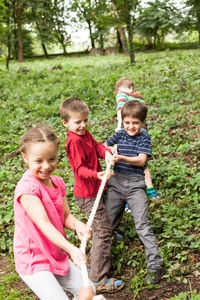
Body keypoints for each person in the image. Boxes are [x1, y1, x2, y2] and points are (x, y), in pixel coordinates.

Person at [13, 124, 96, 300]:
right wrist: (72, 250)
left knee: (89, 289)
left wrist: (78, 225)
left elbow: (66, 215)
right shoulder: (27, 189)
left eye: (51, 159)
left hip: (55, 253)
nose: (46, 166)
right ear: (25, 157)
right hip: (33, 259)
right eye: (38, 160)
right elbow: (44, 224)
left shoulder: (57, 182)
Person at [59, 97, 124, 293]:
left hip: (98, 188)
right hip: (87, 195)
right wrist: (97, 174)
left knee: (116, 202)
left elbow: (96, 145)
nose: (82, 125)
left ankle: (107, 231)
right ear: (66, 123)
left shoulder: (85, 134)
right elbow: (79, 170)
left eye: (85, 120)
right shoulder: (74, 141)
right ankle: (97, 279)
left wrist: (105, 152)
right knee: (102, 231)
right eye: (77, 122)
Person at [105, 101, 164, 284]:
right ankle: (99, 264)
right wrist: (109, 151)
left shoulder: (144, 136)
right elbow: (105, 146)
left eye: (135, 123)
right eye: (127, 122)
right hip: (116, 181)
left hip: (135, 184)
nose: (130, 127)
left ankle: (156, 265)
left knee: (142, 225)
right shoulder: (120, 133)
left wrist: (121, 157)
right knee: (106, 221)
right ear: (122, 122)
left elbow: (141, 160)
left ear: (143, 122)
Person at [115, 77, 158, 199]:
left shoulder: (121, 96)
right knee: (142, 161)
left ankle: (130, 194)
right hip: (142, 129)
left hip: (129, 132)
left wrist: (120, 126)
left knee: (129, 163)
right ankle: (150, 189)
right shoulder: (139, 97)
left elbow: (120, 109)